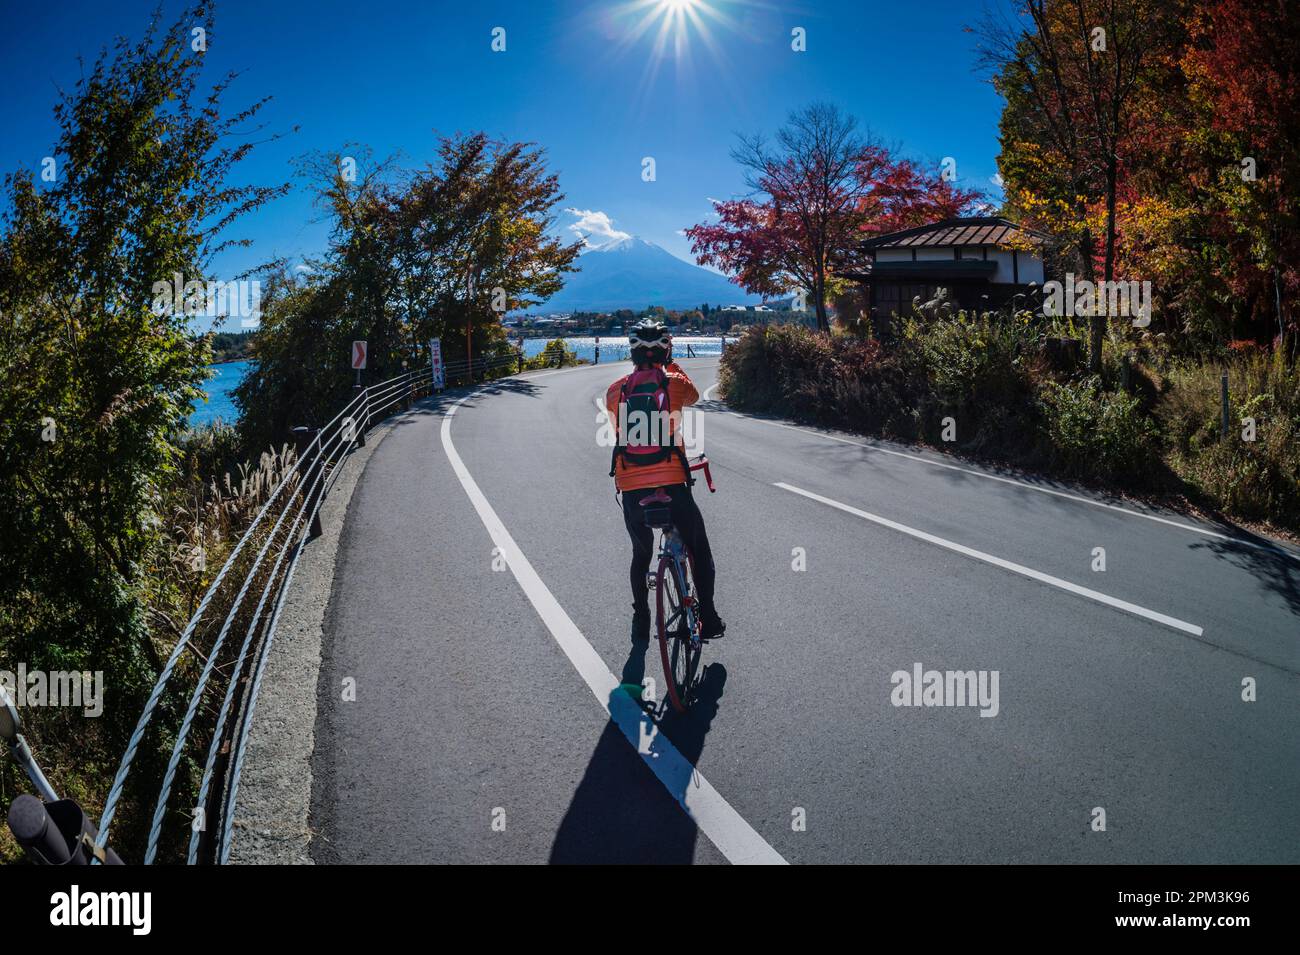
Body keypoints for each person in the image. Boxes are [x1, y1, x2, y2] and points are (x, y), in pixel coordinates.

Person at [606, 320, 726, 644]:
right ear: (666, 349)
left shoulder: (615, 391)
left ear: (632, 353)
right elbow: (694, 395)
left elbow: (625, 431)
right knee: (699, 548)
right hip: (672, 484)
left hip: (631, 487)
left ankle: (641, 615)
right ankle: (710, 618)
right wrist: (669, 364)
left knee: (640, 554)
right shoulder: (673, 383)